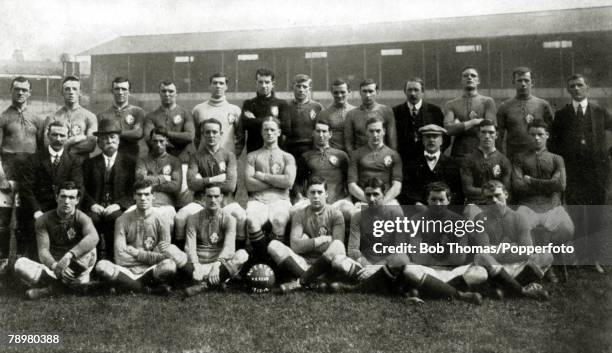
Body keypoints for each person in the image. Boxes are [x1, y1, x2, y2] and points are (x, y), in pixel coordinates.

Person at [331, 178, 482, 304]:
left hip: (449, 271)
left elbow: (460, 257)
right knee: (407, 268)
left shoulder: (459, 222)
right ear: (427, 200)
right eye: (433, 199)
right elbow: (417, 256)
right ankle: (454, 294)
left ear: (449, 200)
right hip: (422, 269)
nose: (437, 203)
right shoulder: (417, 220)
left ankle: (417, 290)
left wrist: (433, 255)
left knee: (480, 272)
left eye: (441, 199)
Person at [549, 74, 612, 272]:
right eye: (572, 86)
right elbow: (553, 143)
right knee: (576, 215)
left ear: (588, 88)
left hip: (596, 172)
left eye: (580, 85)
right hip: (573, 173)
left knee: (595, 215)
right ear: (568, 90)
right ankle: (575, 257)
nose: (576, 89)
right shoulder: (562, 114)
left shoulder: (600, 111)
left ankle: (592, 259)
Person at [95, 179, 186, 294]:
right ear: (134, 196)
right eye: (139, 194)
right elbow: (120, 257)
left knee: (170, 266)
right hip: (127, 270)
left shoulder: (163, 220)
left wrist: (137, 254)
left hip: (151, 270)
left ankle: (126, 285)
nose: (143, 198)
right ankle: (146, 289)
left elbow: (164, 257)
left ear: (153, 196)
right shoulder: (122, 220)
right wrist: (151, 257)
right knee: (101, 266)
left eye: (147, 194)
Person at [13, 181, 98, 299]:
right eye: (63, 196)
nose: (67, 201)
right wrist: (56, 267)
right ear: (56, 197)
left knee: (91, 250)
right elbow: (43, 251)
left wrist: (70, 255)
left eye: (71, 197)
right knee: (20, 264)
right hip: (53, 269)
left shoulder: (83, 218)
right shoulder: (43, 220)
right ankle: (68, 288)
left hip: (75, 269)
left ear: (77, 200)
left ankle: (52, 289)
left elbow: (94, 237)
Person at [512, 121, 573, 282]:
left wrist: (531, 180)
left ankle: (548, 262)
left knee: (567, 228)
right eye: (532, 134)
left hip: (552, 205)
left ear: (547, 135)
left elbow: (560, 185)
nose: (536, 138)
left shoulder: (557, 159)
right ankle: (537, 266)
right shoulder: (520, 159)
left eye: (540, 134)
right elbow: (518, 186)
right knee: (520, 224)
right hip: (528, 205)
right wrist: (548, 185)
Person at [472, 180, 552, 300]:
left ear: (506, 195)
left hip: (517, 267)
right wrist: (510, 247)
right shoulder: (480, 218)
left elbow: (526, 251)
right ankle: (522, 290)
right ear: (485, 200)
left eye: (497, 195)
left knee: (546, 255)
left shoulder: (519, 217)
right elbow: (485, 251)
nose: (494, 200)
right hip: (493, 268)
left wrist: (499, 251)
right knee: (481, 256)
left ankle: (504, 289)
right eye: (489, 197)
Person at [269, 176, 347, 293]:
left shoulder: (336, 214)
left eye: (319, 192)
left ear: (326, 194)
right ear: (307, 195)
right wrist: (321, 240)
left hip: (327, 264)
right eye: (312, 192)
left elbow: (337, 243)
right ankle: (315, 282)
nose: (316, 196)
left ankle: (301, 282)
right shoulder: (300, 214)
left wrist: (306, 242)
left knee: (336, 245)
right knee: (273, 245)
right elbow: (295, 246)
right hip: (304, 263)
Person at [175, 119, 245, 248]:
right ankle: (180, 254)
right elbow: (191, 184)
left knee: (240, 216)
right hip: (201, 202)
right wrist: (215, 179)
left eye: (214, 132)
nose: (211, 135)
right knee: (180, 218)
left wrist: (202, 181)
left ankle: (239, 253)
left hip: (225, 202)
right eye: (207, 132)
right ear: (202, 134)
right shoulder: (195, 157)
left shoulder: (229, 156)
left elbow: (231, 185)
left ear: (221, 133)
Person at [0, 76, 44, 257]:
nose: (20, 93)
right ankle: (2, 260)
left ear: (30, 93)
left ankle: (22, 259)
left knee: (25, 218)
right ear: (11, 90)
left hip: (28, 176)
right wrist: (1, 177)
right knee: (2, 219)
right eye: (17, 89)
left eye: (24, 90)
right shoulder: (3, 117)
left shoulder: (37, 118)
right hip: (7, 174)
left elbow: (41, 149)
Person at [180, 183, 249, 296]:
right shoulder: (193, 218)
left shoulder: (229, 219)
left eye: (216, 196)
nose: (213, 200)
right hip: (198, 265)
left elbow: (229, 248)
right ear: (203, 197)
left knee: (242, 254)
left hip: (219, 265)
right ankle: (219, 281)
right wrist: (196, 266)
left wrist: (216, 266)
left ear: (221, 197)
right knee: (173, 251)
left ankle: (203, 286)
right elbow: (189, 247)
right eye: (209, 196)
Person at [82, 119, 136, 261]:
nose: (109, 141)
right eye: (105, 138)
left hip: (118, 207)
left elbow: (133, 190)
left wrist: (119, 205)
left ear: (118, 141)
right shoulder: (89, 163)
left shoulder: (130, 163)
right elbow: (82, 189)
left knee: (116, 218)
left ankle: (114, 262)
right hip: (96, 206)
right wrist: (93, 204)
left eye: (113, 137)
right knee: (91, 220)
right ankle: (94, 262)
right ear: (99, 143)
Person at [245, 117, 296, 263]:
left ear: (279, 132)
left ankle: (275, 261)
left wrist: (262, 176)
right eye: (266, 129)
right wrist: (277, 182)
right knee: (251, 220)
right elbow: (249, 185)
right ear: (261, 132)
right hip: (258, 200)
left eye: (272, 129)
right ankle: (263, 259)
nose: (269, 133)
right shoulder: (252, 156)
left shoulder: (288, 157)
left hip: (281, 200)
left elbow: (288, 181)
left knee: (279, 221)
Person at [294, 117, 354, 222]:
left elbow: (349, 181)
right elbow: (298, 183)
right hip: (313, 201)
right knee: (294, 212)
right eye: (318, 131)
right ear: (313, 133)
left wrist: (348, 198)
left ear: (330, 134)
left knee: (353, 213)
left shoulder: (341, 155)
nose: (321, 135)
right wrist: (299, 197)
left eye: (324, 131)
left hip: (338, 202)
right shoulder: (305, 157)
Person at [20, 121, 83, 220]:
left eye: (62, 135)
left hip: (64, 209)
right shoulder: (33, 159)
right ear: (48, 135)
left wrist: (71, 210)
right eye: (54, 135)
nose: (58, 139)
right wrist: (36, 210)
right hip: (39, 210)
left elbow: (78, 186)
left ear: (68, 136)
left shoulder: (73, 161)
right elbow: (26, 188)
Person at [496, 67, 554, 160]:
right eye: (519, 80)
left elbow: (551, 133)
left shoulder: (543, 105)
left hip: (539, 158)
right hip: (514, 157)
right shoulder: (505, 106)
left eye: (526, 80)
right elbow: (499, 137)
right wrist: (502, 158)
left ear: (532, 82)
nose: (523, 84)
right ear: (513, 82)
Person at [444, 66, 497, 165]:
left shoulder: (487, 102)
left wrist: (459, 125)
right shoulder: (451, 104)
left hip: (481, 153)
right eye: (465, 76)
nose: (469, 77)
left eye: (473, 75)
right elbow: (448, 129)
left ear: (478, 81)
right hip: (459, 153)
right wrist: (474, 122)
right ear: (461, 80)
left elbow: (489, 126)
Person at [401, 124, 463, 207]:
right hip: (419, 211)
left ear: (441, 140)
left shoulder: (451, 164)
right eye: (428, 136)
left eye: (435, 136)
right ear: (422, 140)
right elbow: (406, 192)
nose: (431, 140)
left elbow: (457, 193)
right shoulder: (412, 164)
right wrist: (416, 204)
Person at [461, 120, 511, 219]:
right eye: (483, 132)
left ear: (496, 135)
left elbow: (505, 189)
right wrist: (492, 192)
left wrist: (492, 197)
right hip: (475, 204)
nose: (487, 136)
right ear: (478, 134)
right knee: (471, 211)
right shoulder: (468, 159)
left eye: (491, 133)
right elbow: (467, 189)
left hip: (496, 203)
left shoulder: (504, 161)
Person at [348, 116, 402, 206]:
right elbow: (352, 186)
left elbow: (397, 186)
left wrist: (382, 202)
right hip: (363, 199)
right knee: (355, 215)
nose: (375, 135)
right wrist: (370, 200)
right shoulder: (356, 154)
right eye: (371, 131)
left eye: (378, 131)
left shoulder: (393, 155)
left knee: (397, 214)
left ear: (384, 131)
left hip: (386, 201)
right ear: (366, 132)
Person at [393, 77, 448, 162]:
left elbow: (445, 136)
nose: (413, 93)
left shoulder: (434, 111)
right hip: (404, 160)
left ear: (422, 92)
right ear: (405, 92)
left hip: (428, 160)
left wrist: (434, 155)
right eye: (409, 90)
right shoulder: (396, 112)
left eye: (416, 90)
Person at [235, 68, 289, 154]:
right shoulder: (248, 104)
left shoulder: (281, 104)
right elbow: (246, 124)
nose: (263, 85)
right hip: (254, 150)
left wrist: (255, 120)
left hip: (276, 152)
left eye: (267, 82)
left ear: (273, 84)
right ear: (256, 83)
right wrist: (273, 120)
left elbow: (286, 127)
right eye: (260, 82)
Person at [44, 76, 97, 163]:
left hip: (81, 165)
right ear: (62, 92)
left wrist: (64, 148)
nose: (71, 92)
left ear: (80, 92)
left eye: (75, 89)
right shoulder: (52, 117)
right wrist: (73, 141)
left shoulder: (90, 116)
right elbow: (47, 144)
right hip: (59, 165)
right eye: (67, 89)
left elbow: (91, 144)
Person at [135, 127, 182, 226]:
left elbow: (175, 186)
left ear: (167, 141)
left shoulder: (174, 161)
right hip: (143, 202)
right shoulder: (142, 160)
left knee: (163, 222)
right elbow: (140, 179)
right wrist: (163, 178)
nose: (158, 145)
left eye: (161, 141)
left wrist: (150, 184)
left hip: (165, 204)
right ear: (151, 142)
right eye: (155, 141)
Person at [143, 79, 195, 162]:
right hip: (158, 160)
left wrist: (166, 133)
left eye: (170, 91)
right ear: (159, 93)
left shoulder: (186, 114)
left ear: (176, 93)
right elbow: (148, 138)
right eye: (164, 91)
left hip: (182, 158)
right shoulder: (150, 116)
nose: (167, 94)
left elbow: (190, 136)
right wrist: (176, 139)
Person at [192, 73, 241, 155]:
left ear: (226, 87)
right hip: (204, 159)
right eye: (215, 83)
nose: (218, 86)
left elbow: (240, 137)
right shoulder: (198, 109)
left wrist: (234, 155)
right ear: (210, 86)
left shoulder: (235, 110)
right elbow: (195, 137)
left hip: (227, 158)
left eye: (221, 83)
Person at [344, 79, 397, 154]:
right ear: (360, 92)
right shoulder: (352, 114)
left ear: (377, 92)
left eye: (370, 91)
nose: (367, 95)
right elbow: (348, 143)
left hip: (381, 157)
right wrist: (355, 158)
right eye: (364, 91)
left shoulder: (386, 111)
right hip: (360, 158)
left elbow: (392, 140)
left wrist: (389, 158)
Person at [97, 77, 145, 158]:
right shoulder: (102, 115)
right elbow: (100, 140)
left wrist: (113, 133)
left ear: (129, 91)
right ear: (112, 91)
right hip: (109, 157)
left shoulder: (137, 111)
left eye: (124, 89)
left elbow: (138, 133)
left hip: (131, 156)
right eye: (117, 89)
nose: (120, 92)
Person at [284, 74, 324, 159]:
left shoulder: (317, 107)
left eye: (305, 87)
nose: (301, 90)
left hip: (310, 148)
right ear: (292, 87)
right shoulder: (285, 106)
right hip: (289, 148)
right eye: (298, 86)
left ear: (309, 88)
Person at [316, 79, 355, 150]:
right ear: (331, 93)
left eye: (342, 92)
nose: (339, 95)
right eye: (336, 92)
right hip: (334, 155)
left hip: (354, 153)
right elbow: (319, 138)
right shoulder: (324, 114)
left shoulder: (356, 112)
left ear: (349, 91)